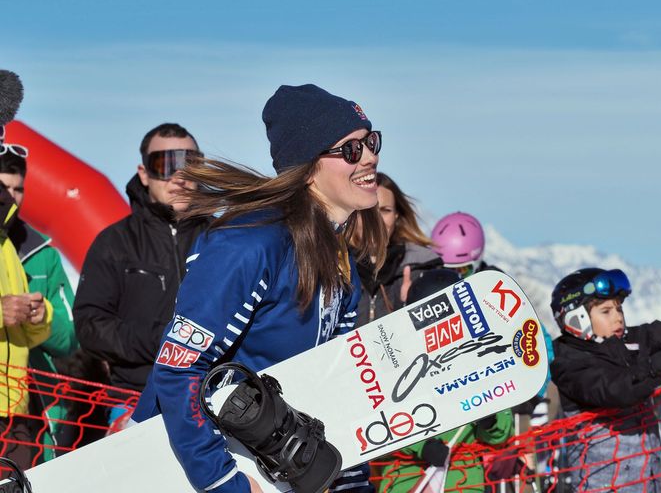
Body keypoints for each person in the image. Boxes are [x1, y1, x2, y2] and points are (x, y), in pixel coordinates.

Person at [132, 84, 386, 493]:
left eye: (371, 141)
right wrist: (220, 480)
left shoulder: (341, 262)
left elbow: (333, 380)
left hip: (274, 461)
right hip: (186, 465)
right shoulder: (250, 242)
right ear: (308, 167)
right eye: (351, 149)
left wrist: (348, 480)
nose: (370, 155)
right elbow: (179, 367)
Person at [73, 123, 209, 423]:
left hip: (213, 395)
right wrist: (164, 342)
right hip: (136, 398)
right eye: (165, 164)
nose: (180, 176)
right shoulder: (115, 242)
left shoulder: (224, 237)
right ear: (144, 173)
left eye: (191, 163)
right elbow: (90, 324)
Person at [378, 268, 513, 493]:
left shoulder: (480, 362)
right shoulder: (397, 367)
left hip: (463, 481)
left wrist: (490, 419)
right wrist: (422, 445)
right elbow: (380, 421)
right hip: (408, 478)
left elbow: (502, 432)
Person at [549, 268, 661, 492]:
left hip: (647, 482)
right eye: (606, 311)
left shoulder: (626, 343)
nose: (618, 317)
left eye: (619, 308)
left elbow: (654, 334)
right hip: (601, 485)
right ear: (577, 319)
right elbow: (617, 389)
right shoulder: (570, 364)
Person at [0, 147, 78, 461]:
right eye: (3, 187)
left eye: (17, 188)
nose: (10, 196)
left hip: (35, 408)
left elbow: (72, 337)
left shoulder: (45, 254)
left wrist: (44, 317)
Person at [0, 142, 53, 473]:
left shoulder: (6, 244)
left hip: (15, 410)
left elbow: (27, 335)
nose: (10, 195)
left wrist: (39, 314)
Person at [353, 172, 441, 325]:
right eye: (367, 211)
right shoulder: (331, 268)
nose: (376, 221)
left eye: (385, 210)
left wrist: (412, 308)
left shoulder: (423, 270)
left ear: (396, 216)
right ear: (352, 214)